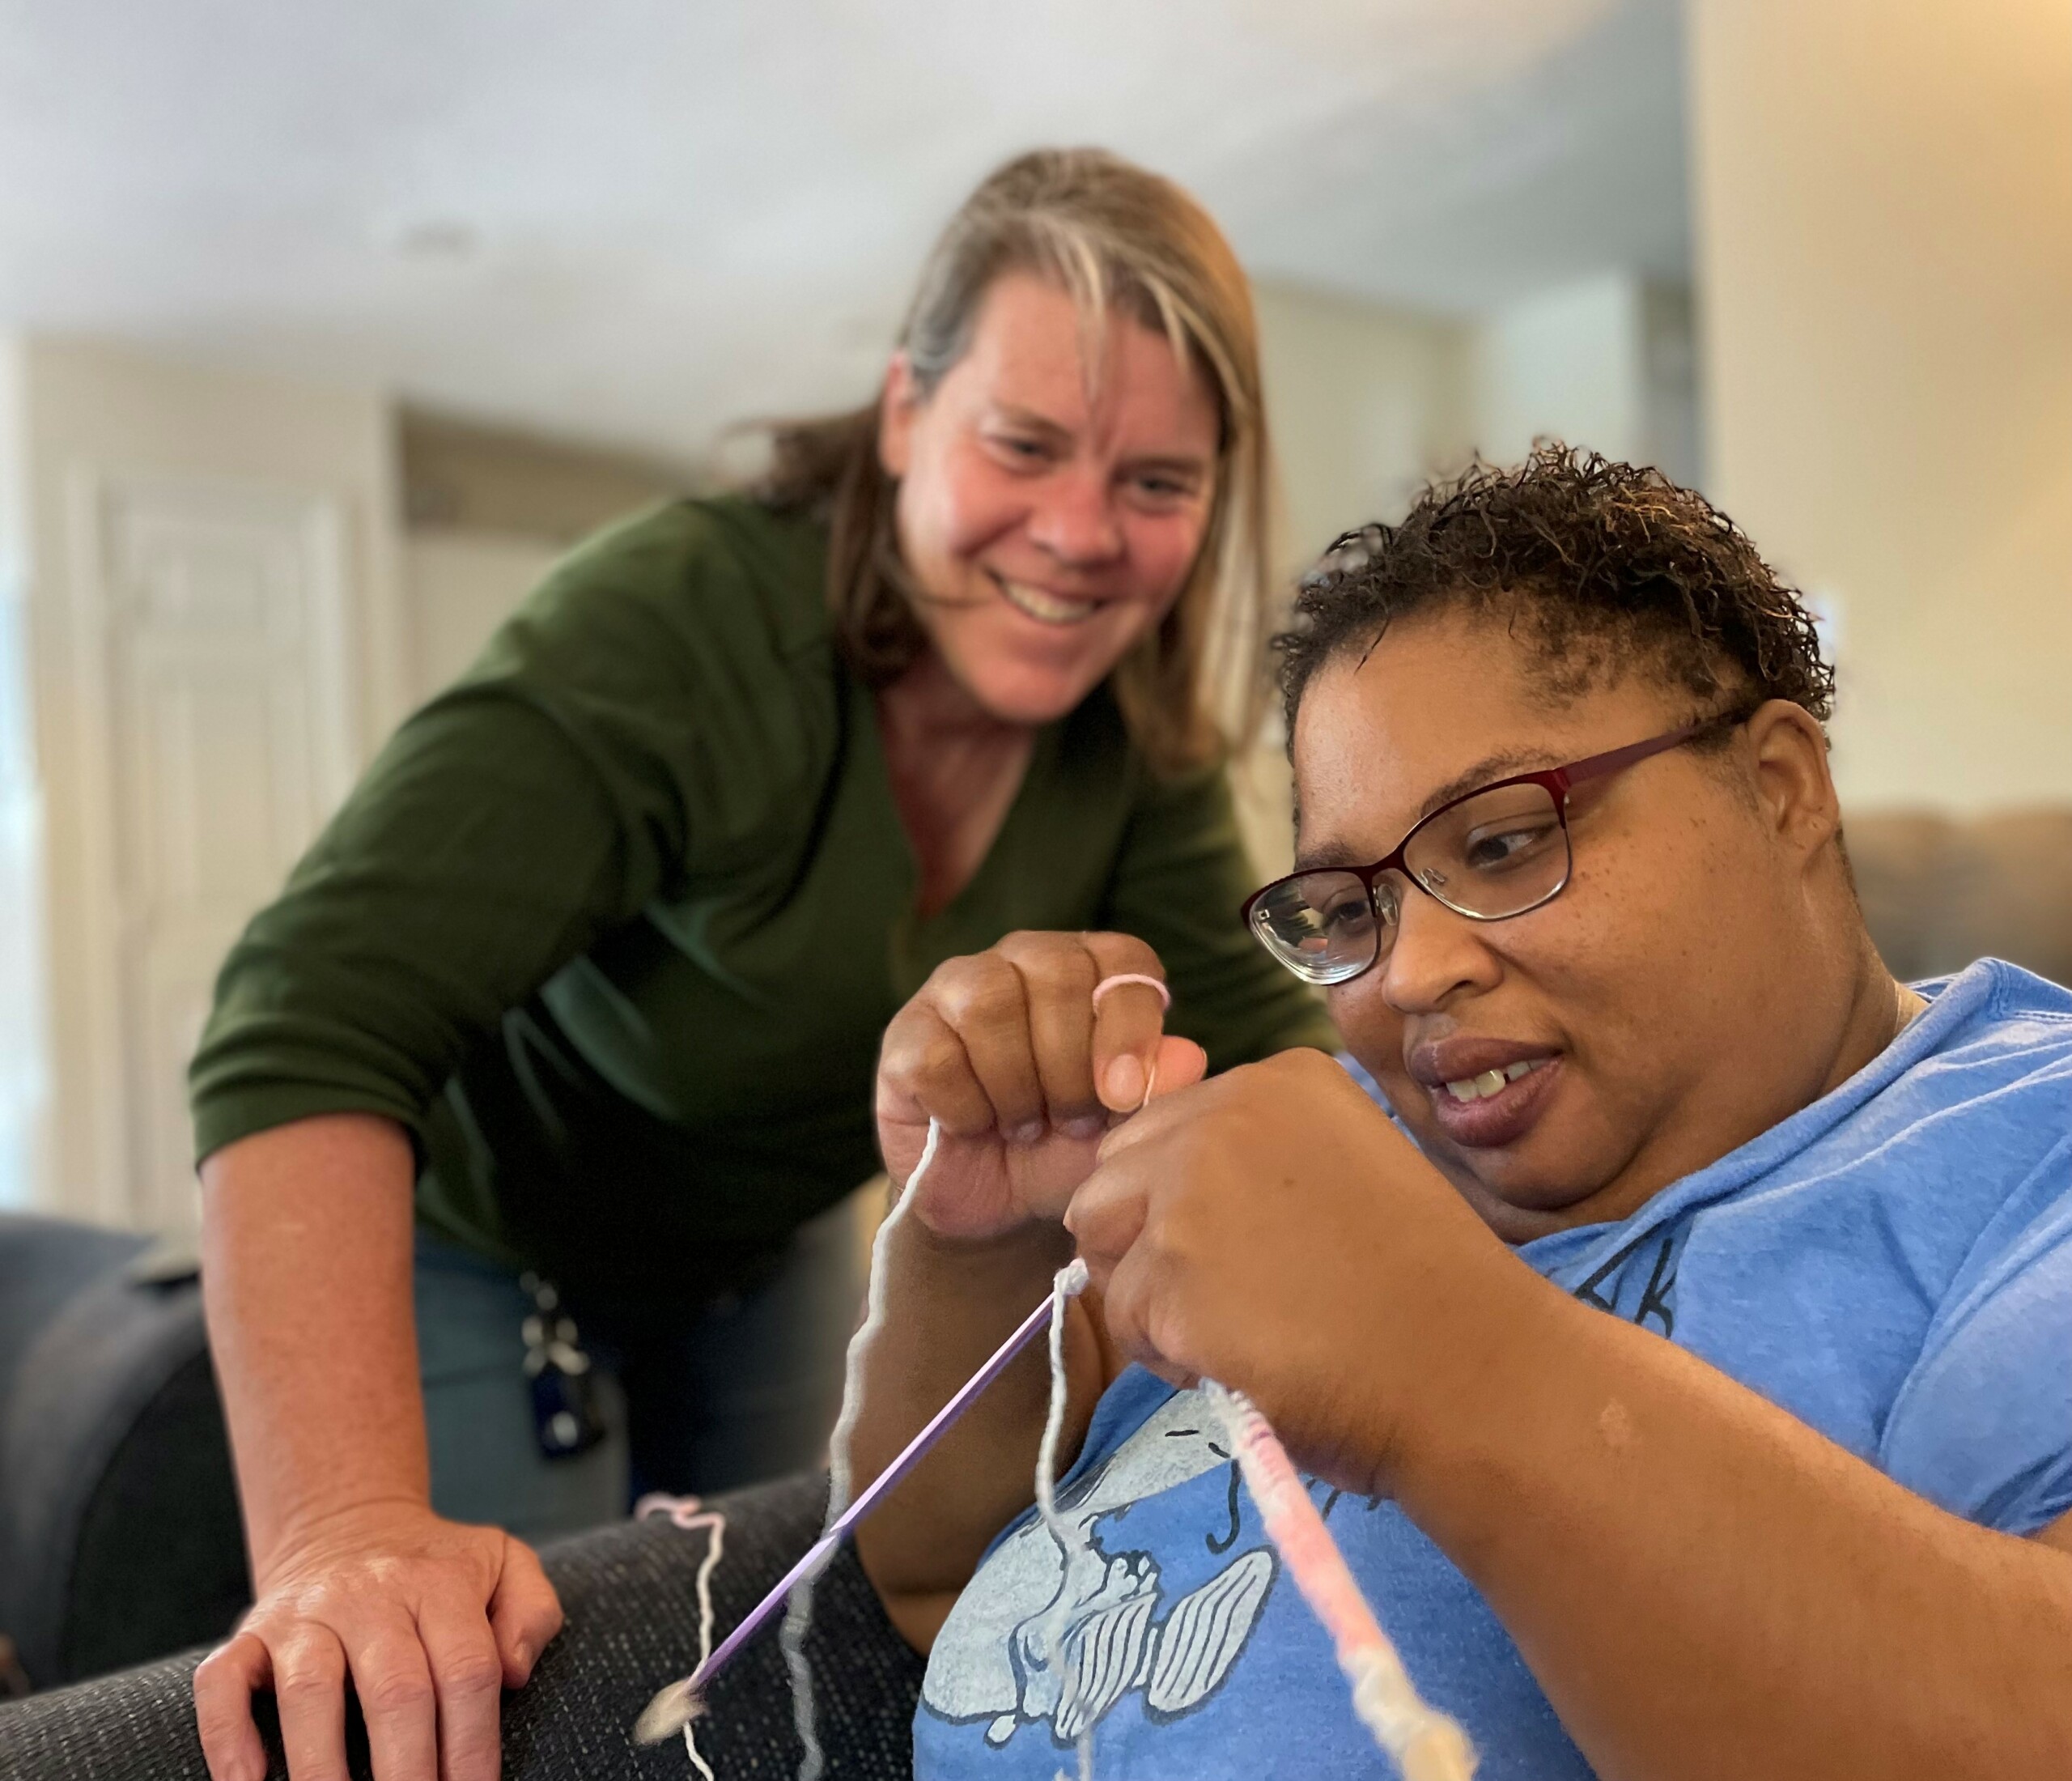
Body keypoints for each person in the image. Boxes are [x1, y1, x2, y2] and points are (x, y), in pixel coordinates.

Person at [188, 149, 1335, 1781]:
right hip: (485, 1236)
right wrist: (346, 1528)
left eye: (1156, 483)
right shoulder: (675, 624)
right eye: (1021, 445)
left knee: (793, 1648)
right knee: (509, 1696)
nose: (1079, 535)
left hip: (757, 1252)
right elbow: (299, 1015)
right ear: (898, 413)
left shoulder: (1129, 742)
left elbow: (1283, 1078)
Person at [857, 448, 2072, 1779]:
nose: (1409, 974)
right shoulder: (1348, 1157)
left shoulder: (2026, 1147)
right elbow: (923, 1577)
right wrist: (969, 1249)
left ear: (1782, 789)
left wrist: (1449, 1357)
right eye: (1351, 907)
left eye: (1503, 842)